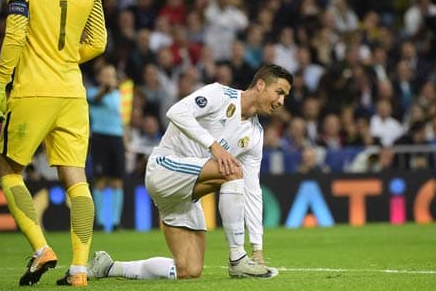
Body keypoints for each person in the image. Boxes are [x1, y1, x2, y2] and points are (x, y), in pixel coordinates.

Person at [0, 0, 107, 287]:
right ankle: (80, 270)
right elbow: (99, 42)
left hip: (33, 90)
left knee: (8, 169)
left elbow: (15, 35)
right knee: (77, 180)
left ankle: (42, 250)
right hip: (72, 92)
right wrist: (66, 56)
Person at [87, 64, 292, 281]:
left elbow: (252, 190)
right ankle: (237, 259)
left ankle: (108, 267)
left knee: (188, 270)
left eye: (285, 96)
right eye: (279, 92)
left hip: (185, 195)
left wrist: (258, 249)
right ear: (260, 85)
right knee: (232, 170)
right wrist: (214, 146)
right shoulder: (219, 95)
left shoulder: (255, 135)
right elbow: (175, 112)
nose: (281, 102)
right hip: (164, 167)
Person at [87, 64, 126, 232]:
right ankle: (101, 222)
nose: (110, 78)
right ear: (99, 78)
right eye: (107, 75)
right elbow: (94, 99)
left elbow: (123, 118)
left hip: (117, 138)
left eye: (113, 75)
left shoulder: (119, 96)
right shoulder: (93, 92)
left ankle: (116, 222)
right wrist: (105, 89)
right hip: (100, 138)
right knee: (101, 180)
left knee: (117, 181)